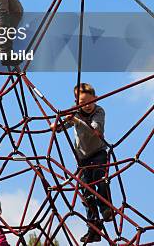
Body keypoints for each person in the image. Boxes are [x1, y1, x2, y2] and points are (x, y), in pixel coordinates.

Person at [53, 83, 114, 244]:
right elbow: (60, 127)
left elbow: (95, 130)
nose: (87, 106)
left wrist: (76, 120)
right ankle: (93, 228)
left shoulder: (99, 111)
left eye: (90, 102)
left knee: (100, 180)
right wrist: (57, 125)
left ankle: (106, 209)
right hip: (82, 159)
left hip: (99, 153)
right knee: (86, 193)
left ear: (95, 99)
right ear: (77, 102)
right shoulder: (75, 112)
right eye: (83, 103)